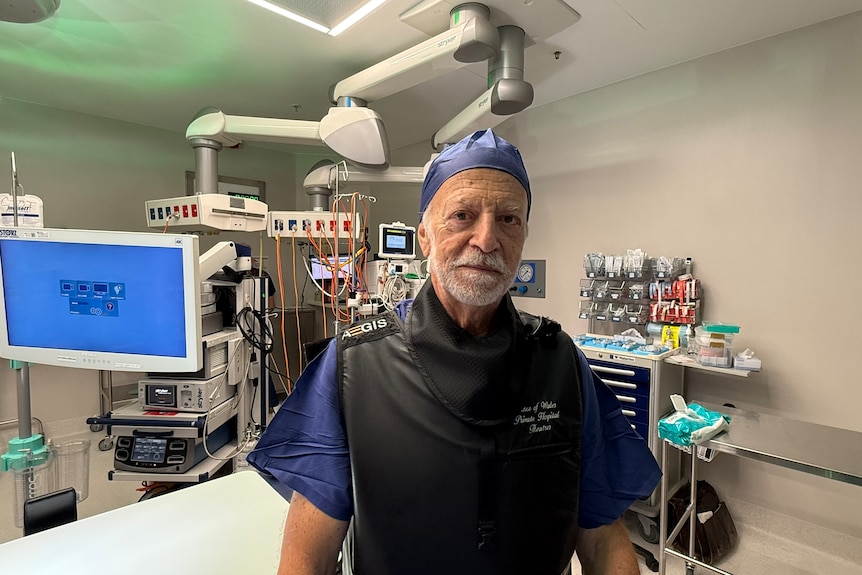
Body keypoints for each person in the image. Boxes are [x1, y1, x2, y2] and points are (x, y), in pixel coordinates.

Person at [247, 129, 661, 575]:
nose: (487, 239)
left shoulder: (560, 363)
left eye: (509, 219)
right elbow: (309, 557)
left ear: (524, 234)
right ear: (424, 236)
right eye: (462, 215)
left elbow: (603, 540)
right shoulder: (355, 366)